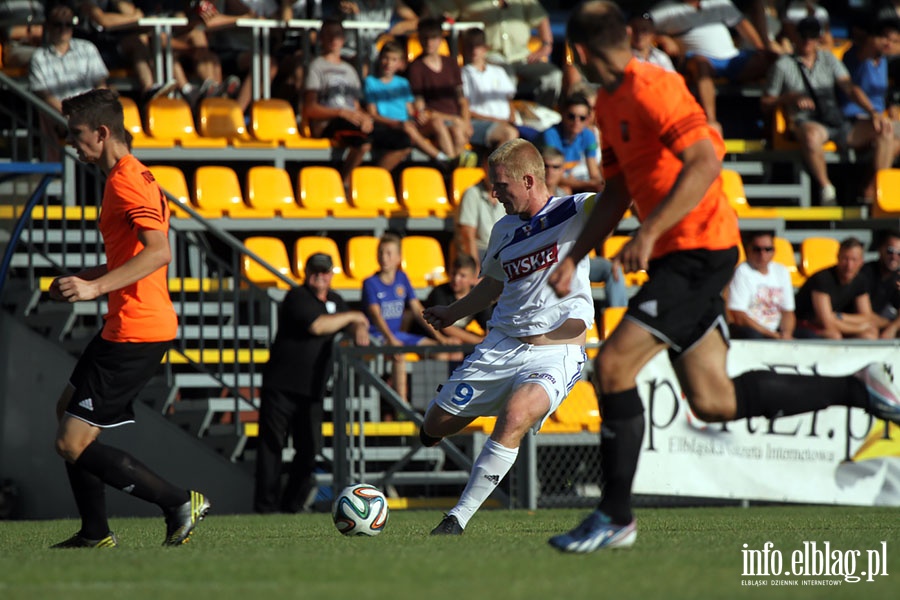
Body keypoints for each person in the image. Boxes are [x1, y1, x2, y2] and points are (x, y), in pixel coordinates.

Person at [547, 1, 900, 554]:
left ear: (582, 52)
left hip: (700, 248)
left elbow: (706, 164)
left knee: (613, 367)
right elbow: (616, 192)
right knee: (714, 399)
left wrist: (648, 231)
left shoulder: (654, 88)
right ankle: (857, 388)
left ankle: (615, 515)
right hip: (674, 253)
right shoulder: (608, 101)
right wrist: (576, 255)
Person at [49, 88, 209, 548]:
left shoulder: (125, 181)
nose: (71, 144)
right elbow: (132, 253)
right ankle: (94, 532)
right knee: (66, 413)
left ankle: (177, 501)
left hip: (138, 328)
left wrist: (95, 288)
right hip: (124, 322)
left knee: (69, 443)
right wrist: (85, 278)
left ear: (101, 133)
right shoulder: (130, 175)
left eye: (76, 135)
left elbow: (160, 252)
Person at [421, 139, 595, 535]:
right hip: (501, 345)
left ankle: (456, 519)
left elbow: (621, 201)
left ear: (529, 180)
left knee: (515, 416)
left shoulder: (574, 209)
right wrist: (452, 312)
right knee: (436, 422)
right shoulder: (503, 229)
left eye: (500, 186)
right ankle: (442, 424)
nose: (494, 193)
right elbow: (492, 285)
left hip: (557, 352)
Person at [254, 253, 370, 514]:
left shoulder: (336, 300)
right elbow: (318, 326)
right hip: (282, 385)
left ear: (331, 274)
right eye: (315, 271)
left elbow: (350, 325)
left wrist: (358, 326)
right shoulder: (297, 297)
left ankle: (292, 505)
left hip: (312, 390)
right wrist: (354, 317)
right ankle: (265, 507)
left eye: (324, 271)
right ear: (306, 274)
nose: (320, 276)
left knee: (308, 449)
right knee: (272, 447)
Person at [761, 17, 892, 206]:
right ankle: (826, 188)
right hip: (806, 121)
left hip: (835, 119)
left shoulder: (828, 59)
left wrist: (873, 112)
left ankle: (875, 187)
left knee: (884, 130)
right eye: (804, 37)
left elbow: (849, 88)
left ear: (818, 39)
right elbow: (766, 101)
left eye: (812, 37)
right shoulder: (783, 65)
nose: (807, 42)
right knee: (811, 134)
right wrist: (788, 98)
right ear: (796, 37)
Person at [303, 18, 410, 192]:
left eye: (337, 34)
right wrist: (340, 113)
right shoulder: (317, 67)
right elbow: (309, 108)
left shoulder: (349, 70)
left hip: (351, 119)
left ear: (343, 39)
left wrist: (365, 117)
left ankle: (369, 181)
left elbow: (355, 105)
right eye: (329, 34)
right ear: (321, 38)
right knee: (363, 140)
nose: (333, 39)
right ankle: (343, 186)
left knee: (402, 141)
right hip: (330, 121)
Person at [650, 0, 776, 134]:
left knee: (777, 61)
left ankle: (772, 124)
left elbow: (743, 25)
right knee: (700, 63)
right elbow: (642, 27)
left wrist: (762, 50)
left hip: (733, 58)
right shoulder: (665, 9)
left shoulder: (719, 3)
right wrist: (662, 38)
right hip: (700, 61)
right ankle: (711, 121)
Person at [362, 233, 450, 403]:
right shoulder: (370, 283)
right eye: (381, 252)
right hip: (378, 336)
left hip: (398, 335)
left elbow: (417, 309)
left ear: (398, 258)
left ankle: (431, 404)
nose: (384, 257)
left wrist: (439, 336)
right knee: (399, 354)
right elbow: (375, 315)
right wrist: (390, 339)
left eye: (388, 253)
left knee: (439, 352)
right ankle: (401, 407)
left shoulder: (402, 278)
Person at [431, 0, 562, 109]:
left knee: (553, 76)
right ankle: (509, 120)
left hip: (522, 55)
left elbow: (541, 17)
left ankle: (542, 116)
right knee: (505, 78)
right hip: (490, 55)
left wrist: (546, 45)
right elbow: (440, 13)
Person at [541, 144, 626, 308]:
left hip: (570, 258)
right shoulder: (528, 201)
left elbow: (598, 239)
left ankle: (616, 317)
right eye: (546, 165)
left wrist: (611, 219)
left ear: (562, 170)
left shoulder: (569, 200)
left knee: (611, 269)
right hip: (542, 261)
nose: (550, 171)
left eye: (555, 166)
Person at [841, 16, 900, 204]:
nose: (888, 44)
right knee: (887, 132)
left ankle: (869, 188)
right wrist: (874, 113)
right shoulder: (856, 56)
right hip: (853, 120)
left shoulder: (883, 62)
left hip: (878, 121)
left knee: (893, 139)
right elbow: (855, 89)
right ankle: (876, 191)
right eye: (885, 38)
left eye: (894, 41)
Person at [364, 40, 452, 165]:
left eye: (394, 60)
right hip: (389, 127)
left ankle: (452, 156)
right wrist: (397, 123)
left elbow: (410, 110)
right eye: (386, 58)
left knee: (436, 121)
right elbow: (372, 114)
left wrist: (419, 115)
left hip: (407, 125)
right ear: (380, 59)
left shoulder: (402, 83)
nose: (388, 63)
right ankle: (442, 158)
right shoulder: (371, 82)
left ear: (399, 63)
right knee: (408, 128)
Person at [406, 17, 476, 167]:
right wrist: (455, 119)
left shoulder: (451, 63)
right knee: (440, 124)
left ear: (440, 39)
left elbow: (462, 99)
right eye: (425, 38)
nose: (429, 43)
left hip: (454, 120)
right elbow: (420, 106)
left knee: (458, 130)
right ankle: (452, 163)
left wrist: (465, 121)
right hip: (434, 119)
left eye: (433, 38)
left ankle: (454, 167)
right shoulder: (415, 68)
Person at [793, 237, 877, 339]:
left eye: (854, 260)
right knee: (833, 336)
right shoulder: (822, 279)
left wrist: (839, 316)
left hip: (836, 322)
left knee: (869, 335)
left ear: (861, 262)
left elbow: (866, 317)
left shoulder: (860, 280)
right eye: (845, 259)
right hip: (803, 323)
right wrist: (860, 328)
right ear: (837, 258)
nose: (849, 265)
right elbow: (826, 322)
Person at [459, 27, 520, 152]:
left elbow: (509, 99)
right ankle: (495, 170)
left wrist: (511, 117)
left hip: (505, 122)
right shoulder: (463, 74)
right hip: (479, 124)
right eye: (470, 46)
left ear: (485, 48)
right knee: (508, 134)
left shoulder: (498, 71)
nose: (474, 50)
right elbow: (466, 108)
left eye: (478, 46)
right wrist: (497, 120)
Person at [727, 230, 796, 339]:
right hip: (753, 330)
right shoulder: (742, 272)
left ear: (774, 251)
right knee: (753, 336)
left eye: (768, 249)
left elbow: (787, 311)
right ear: (748, 250)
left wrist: (787, 333)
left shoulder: (781, 271)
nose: (762, 254)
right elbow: (739, 316)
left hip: (776, 330)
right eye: (757, 249)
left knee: (809, 337)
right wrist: (772, 335)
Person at [537, 93, 604, 194]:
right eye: (571, 116)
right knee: (565, 191)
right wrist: (589, 184)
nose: (576, 122)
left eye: (582, 118)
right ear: (563, 114)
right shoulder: (550, 134)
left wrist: (598, 184)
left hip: (571, 178)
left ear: (588, 119)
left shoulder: (589, 135)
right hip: (549, 181)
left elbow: (594, 172)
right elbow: (552, 174)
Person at [422, 253, 491, 348]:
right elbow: (445, 327)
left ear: (473, 278)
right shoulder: (440, 292)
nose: (456, 279)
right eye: (454, 273)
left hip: (457, 339)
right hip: (431, 336)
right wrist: (479, 341)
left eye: (462, 276)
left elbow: (488, 325)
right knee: (454, 350)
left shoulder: (477, 296)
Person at [455, 153, 506, 273]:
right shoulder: (472, 193)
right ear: (484, 166)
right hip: (481, 251)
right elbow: (467, 235)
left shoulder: (507, 193)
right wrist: (476, 268)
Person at [861, 229, 900, 338]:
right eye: (890, 251)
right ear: (880, 249)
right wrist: (890, 324)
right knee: (869, 335)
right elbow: (865, 315)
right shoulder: (865, 273)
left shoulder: (896, 277)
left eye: (899, 253)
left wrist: (893, 327)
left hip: (876, 324)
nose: (894, 257)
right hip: (854, 324)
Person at [0, 0, 45, 69]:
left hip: (40, 46)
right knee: (40, 58)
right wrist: (31, 31)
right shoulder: (7, 5)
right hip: (16, 47)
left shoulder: (37, 5)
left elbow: (42, 30)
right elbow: (10, 33)